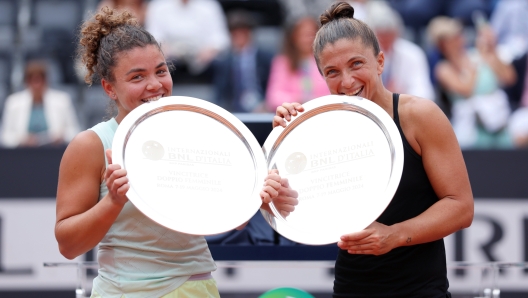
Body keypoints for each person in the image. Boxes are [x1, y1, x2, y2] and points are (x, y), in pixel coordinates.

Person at [54, 7, 297, 298]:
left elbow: (229, 221)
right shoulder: (91, 145)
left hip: (199, 287)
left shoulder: (193, 133)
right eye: (137, 77)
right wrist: (113, 202)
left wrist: (258, 197)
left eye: (161, 70)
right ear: (109, 88)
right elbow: (68, 245)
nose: (155, 85)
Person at [273, 2, 473, 297]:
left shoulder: (421, 116)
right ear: (321, 76)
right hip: (351, 287)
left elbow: (460, 207)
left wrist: (393, 236)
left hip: (420, 289)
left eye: (356, 64)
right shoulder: (318, 127)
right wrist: (284, 142)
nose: (347, 81)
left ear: (380, 61)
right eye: (332, 71)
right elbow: (299, 209)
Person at [429, 16, 516, 149]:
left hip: (498, 122)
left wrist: (493, 49)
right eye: (452, 38)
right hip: (470, 129)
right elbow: (466, 90)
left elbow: (509, 78)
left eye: (459, 36)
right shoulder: (443, 69)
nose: (459, 40)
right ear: (442, 44)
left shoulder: (478, 54)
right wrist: (475, 63)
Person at [145, 0, 230, 83]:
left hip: (203, 58)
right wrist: (164, 48)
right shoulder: (158, 5)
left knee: (223, 64)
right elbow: (153, 35)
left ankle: (218, 97)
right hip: (171, 56)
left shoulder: (210, 5)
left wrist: (210, 50)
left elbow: (221, 37)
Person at [364, 0, 435, 100]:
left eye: (390, 34)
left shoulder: (413, 53)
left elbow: (424, 92)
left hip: (405, 107)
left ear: (398, 32)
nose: (386, 40)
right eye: (381, 36)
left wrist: (400, 98)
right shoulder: (366, 54)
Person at [1, 60, 80, 148]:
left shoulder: (62, 101)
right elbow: (5, 137)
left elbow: (74, 131)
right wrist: (22, 140)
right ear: (27, 82)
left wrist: (61, 137)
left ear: (46, 81)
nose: (37, 85)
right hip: (23, 154)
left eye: (39, 80)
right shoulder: (13, 103)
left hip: (54, 152)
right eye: (33, 81)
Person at [212, 9, 274, 113]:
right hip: (234, 110)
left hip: (263, 108)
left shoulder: (266, 58)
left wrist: (267, 105)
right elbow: (221, 93)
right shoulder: (225, 62)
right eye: (235, 34)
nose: (240, 37)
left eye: (243, 32)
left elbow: (273, 86)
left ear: (250, 33)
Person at [265, 16, 330, 112]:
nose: (307, 39)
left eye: (311, 34)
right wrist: (299, 100)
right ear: (294, 36)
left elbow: (332, 92)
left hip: (322, 113)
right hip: (292, 115)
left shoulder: (326, 60)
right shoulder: (282, 62)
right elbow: (273, 97)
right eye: (303, 34)